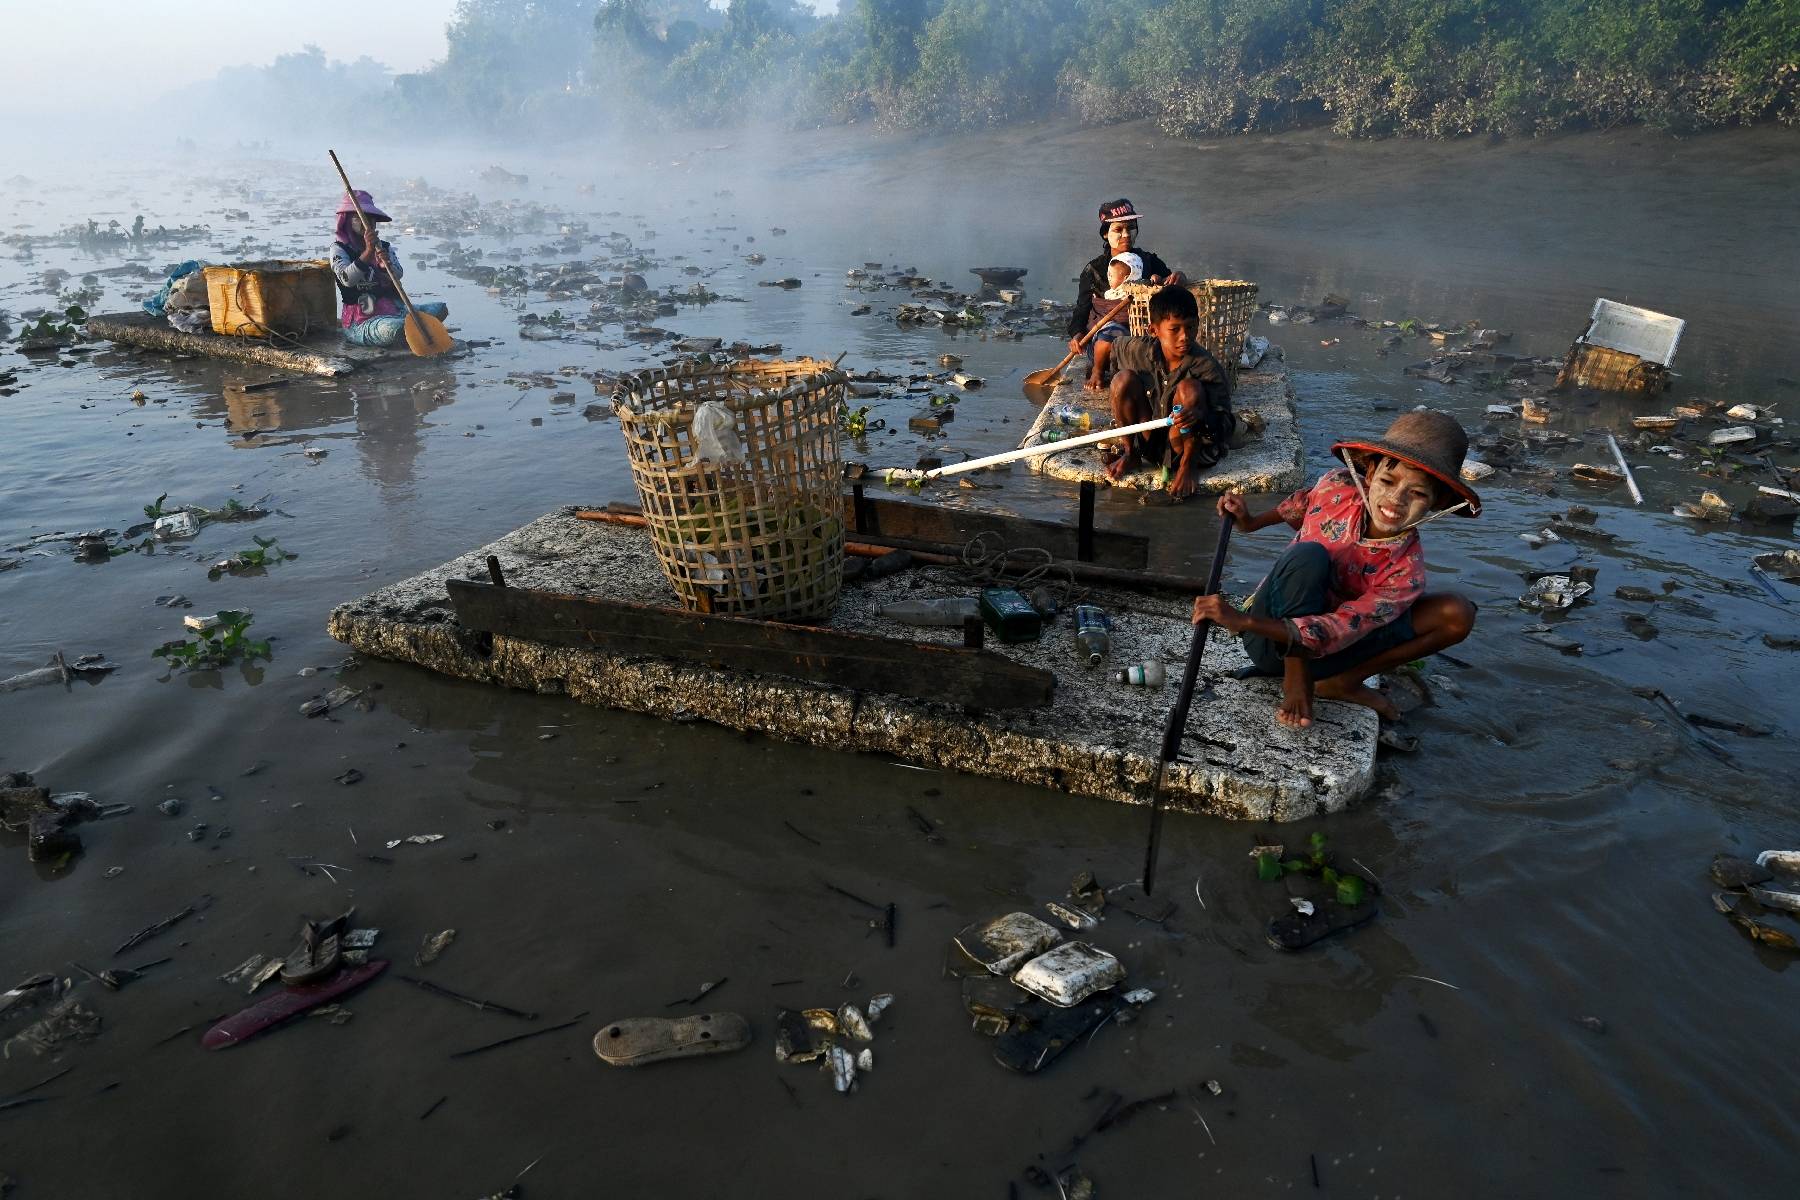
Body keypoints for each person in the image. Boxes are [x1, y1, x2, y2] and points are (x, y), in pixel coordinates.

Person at [1191, 410, 1480, 729]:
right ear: (1369, 474)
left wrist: (1241, 619)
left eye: (1418, 493)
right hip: (1270, 642)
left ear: (1438, 502)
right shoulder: (1335, 486)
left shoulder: (1406, 573)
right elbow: (1300, 506)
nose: (1396, 500)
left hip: (1331, 650)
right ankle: (1294, 674)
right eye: (1388, 480)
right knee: (1309, 555)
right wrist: (1249, 522)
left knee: (1457, 613)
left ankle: (1344, 682)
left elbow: (1340, 627)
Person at [1103, 285, 1235, 498]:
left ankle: (1186, 465)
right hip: (1152, 440)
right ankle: (1131, 453)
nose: (1185, 337)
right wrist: (1099, 373)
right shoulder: (1139, 350)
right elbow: (1115, 347)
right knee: (1122, 380)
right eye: (1175, 329)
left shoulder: (1206, 367)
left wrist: (1202, 415)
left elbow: (1226, 424)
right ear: (1153, 330)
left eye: (1191, 328)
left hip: (1187, 445)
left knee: (1189, 388)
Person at [1067, 198, 1178, 373]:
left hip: (1145, 335)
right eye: (1118, 229)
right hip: (1106, 341)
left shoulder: (1149, 262)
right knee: (1111, 337)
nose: (1126, 235)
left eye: (1131, 228)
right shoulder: (1094, 270)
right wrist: (1076, 334)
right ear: (1105, 234)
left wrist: (1179, 278)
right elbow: (1082, 309)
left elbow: (1173, 290)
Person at [329, 190, 448, 348]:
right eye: (361, 218)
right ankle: (403, 331)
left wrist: (385, 268)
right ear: (348, 221)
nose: (368, 223)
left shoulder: (383, 246)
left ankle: (407, 328)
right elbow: (347, 279)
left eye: (372, 219)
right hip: (362, 320)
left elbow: (398, 274)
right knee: (395, 329)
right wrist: (368, 253)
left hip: (395, 310)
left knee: (439, 309)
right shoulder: (339, 249)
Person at [1083, 250, 1142, 390]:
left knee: (1107, 335)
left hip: (1121, 336)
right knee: (1104, 335)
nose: (1108, 277)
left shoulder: (1134, 292)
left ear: (1127, 277)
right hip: (1106, 336)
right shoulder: (1110, 293)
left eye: (1111, 275)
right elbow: (1101, 310)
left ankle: (1097, 372)